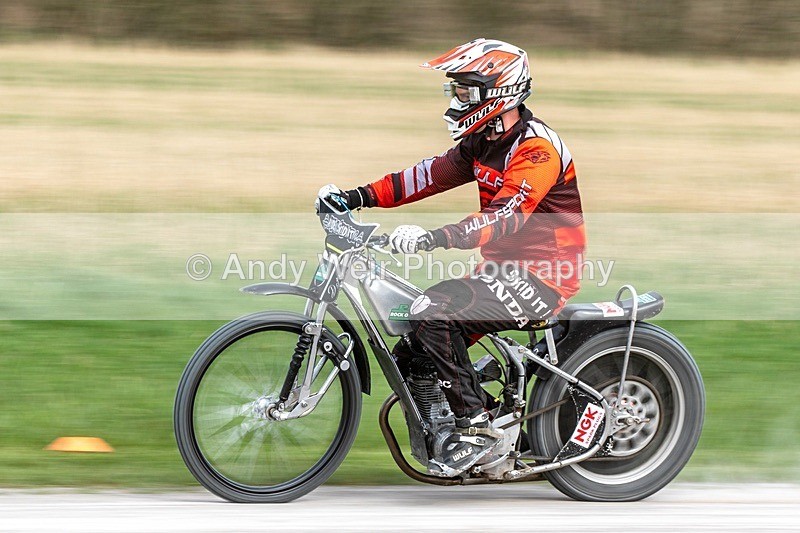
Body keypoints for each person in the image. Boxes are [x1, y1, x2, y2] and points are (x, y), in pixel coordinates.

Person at [317, 38, 586, 477]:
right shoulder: (482, 142)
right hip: (501, 272)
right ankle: (456, 421)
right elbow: (424, 177)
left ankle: (476, 430)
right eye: (455, 90)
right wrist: (354, 196)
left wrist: (431, 238)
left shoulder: (537, 151)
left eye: (465, 90)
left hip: (543, 276)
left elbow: (505, 218)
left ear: (498, 92)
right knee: (413, 343)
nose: (456, 99)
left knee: (432, 312)